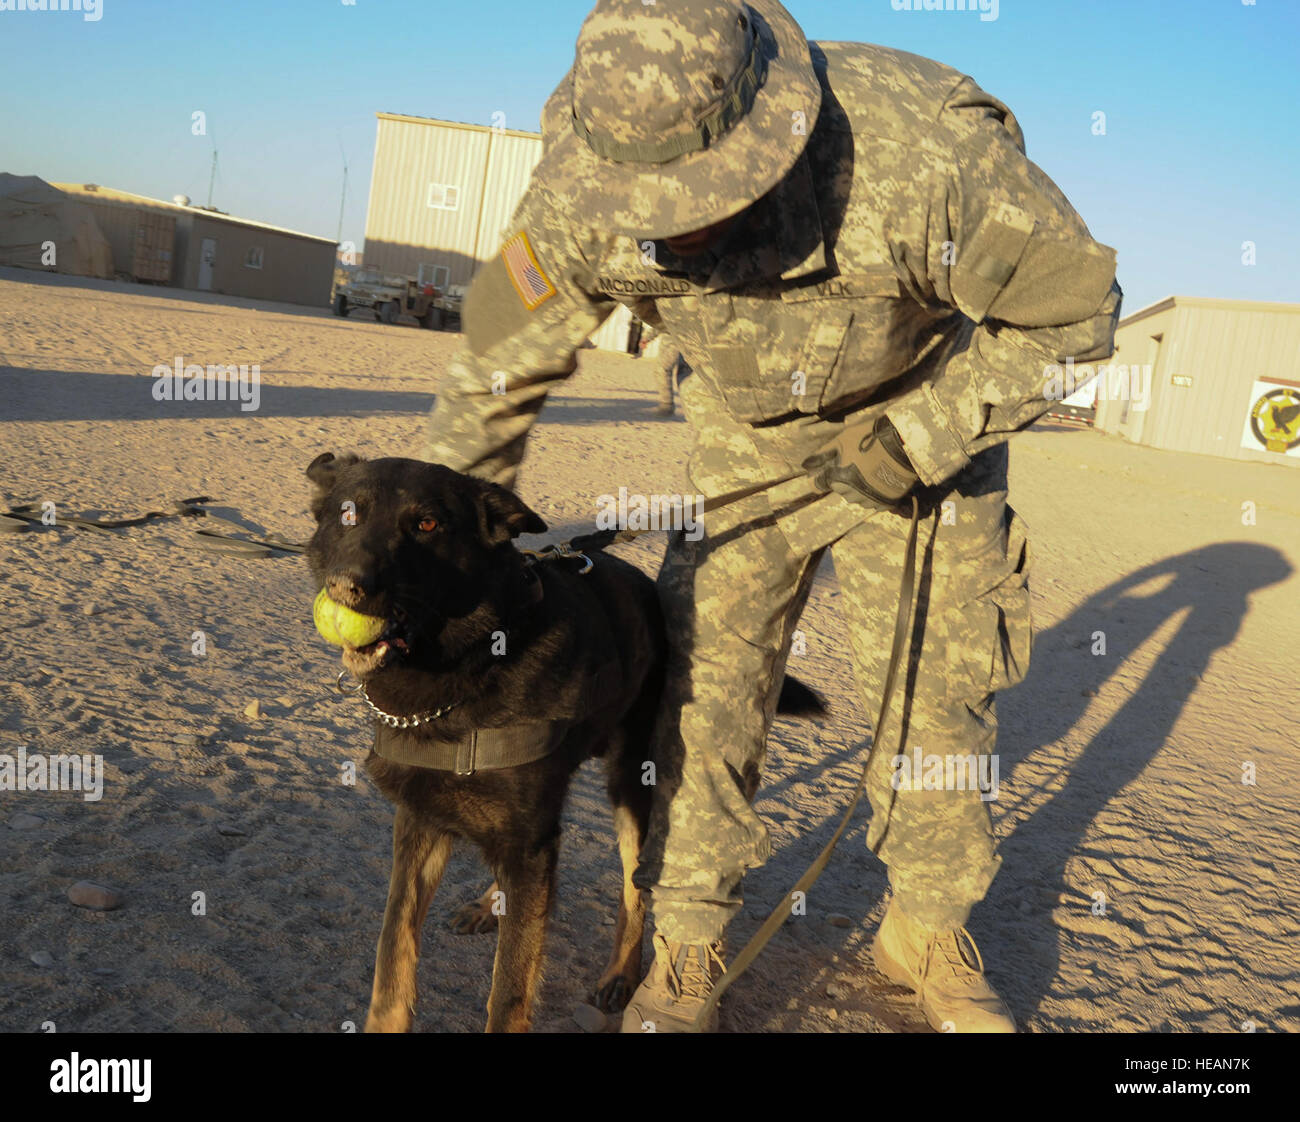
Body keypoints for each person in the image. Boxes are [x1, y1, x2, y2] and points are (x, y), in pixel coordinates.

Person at [425, 0, 1121, 1033]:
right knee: (704, 693)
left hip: (922, 423)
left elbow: (1073, 323)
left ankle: (923, 929)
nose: (658, 225)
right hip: (747, 438)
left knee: (939, 697)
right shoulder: (582, 187)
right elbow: (495, 351)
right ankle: (687, 943)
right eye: (636, 200)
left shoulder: (930, 157)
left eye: (689, 199)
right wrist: (435, 537)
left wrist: (917, 440)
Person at [639, 322, 687, 415]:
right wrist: (646, 338)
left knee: (663, 370)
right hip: (670, 343)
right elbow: (660, 322)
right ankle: (673, 406)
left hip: (678, 342)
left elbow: (661, 321)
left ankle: (667, 406)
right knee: (683, 375)